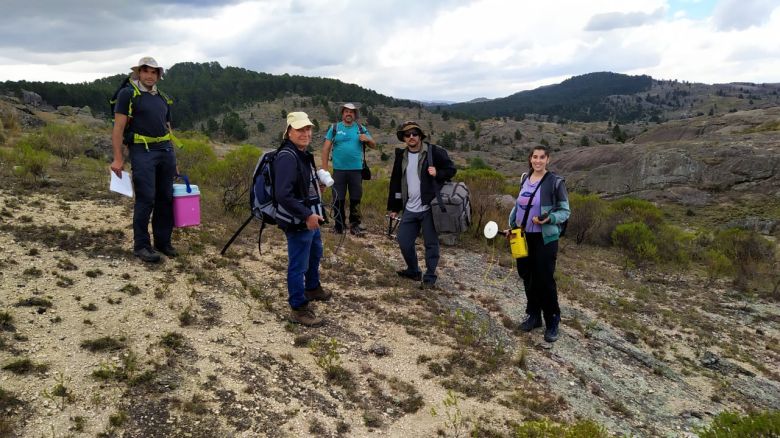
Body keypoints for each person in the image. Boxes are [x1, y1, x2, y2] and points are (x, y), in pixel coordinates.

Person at [110, 57, 178, 264]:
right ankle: (141, 245)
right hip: (142, 150)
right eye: (145, 71)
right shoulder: (128, 94)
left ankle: (162, 242)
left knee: (165, 197)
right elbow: (118, 128)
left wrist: (173, 159)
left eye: (153, 72)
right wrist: (118, 159)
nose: (149, 76)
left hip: (165, 150)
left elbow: (168, 128)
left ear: (158, 75)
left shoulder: (162, 97)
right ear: (139, 73)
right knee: (146, 198)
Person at [506, 145, 570, 342]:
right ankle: (533, 316)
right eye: (535, 157)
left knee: (544, 279)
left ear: (548, 160)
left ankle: (552, 320)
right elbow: (519, 206)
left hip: (544, 239)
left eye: (542, 157)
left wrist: (548, 219)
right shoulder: (525, 179)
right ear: (530, 159)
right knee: (527, 277)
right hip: (522, 236)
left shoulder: (555, 182)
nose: (538, 161)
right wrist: (511, 227)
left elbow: (565, 211)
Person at [276, 111, 332, 327]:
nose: (305, 133)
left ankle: (312, 287)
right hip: (298, 220)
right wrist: (307, 215)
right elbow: (283, 194)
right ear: (288, 132)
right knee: (298, 263)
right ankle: (298, 308)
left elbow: (299, 185)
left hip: (310, 215)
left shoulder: (302, 154)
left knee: (315, 252)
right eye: (300, 129)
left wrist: (316, 188)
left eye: (308, 128)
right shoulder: (287, 157)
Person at [387, 121, 456, 289]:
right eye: (407, 134)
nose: (411, 137)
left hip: (428, 207)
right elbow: (395, 182)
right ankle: (413, 270)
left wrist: (438, 173)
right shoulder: (401, 156)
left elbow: (451, 169)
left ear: (420, 136)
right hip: (410, 207)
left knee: (431, 244)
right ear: (403, 138)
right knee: (403, 240)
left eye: (414, 134)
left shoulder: (434, 152)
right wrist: (394, 207)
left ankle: (430, 276)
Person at [321, 103, 376, 235]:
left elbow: (373, 145)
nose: (349, 114)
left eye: (351, 112)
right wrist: (324, 170)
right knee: (338, 198)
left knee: (356, 198)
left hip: (356, 171)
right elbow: (325, 149)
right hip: (339, 170)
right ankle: (339, 226)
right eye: (346, 111)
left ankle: (354, 225)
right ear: (342, 114)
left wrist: (367, 139)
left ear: (355, 114)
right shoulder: (334, 128)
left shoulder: (360, 128)